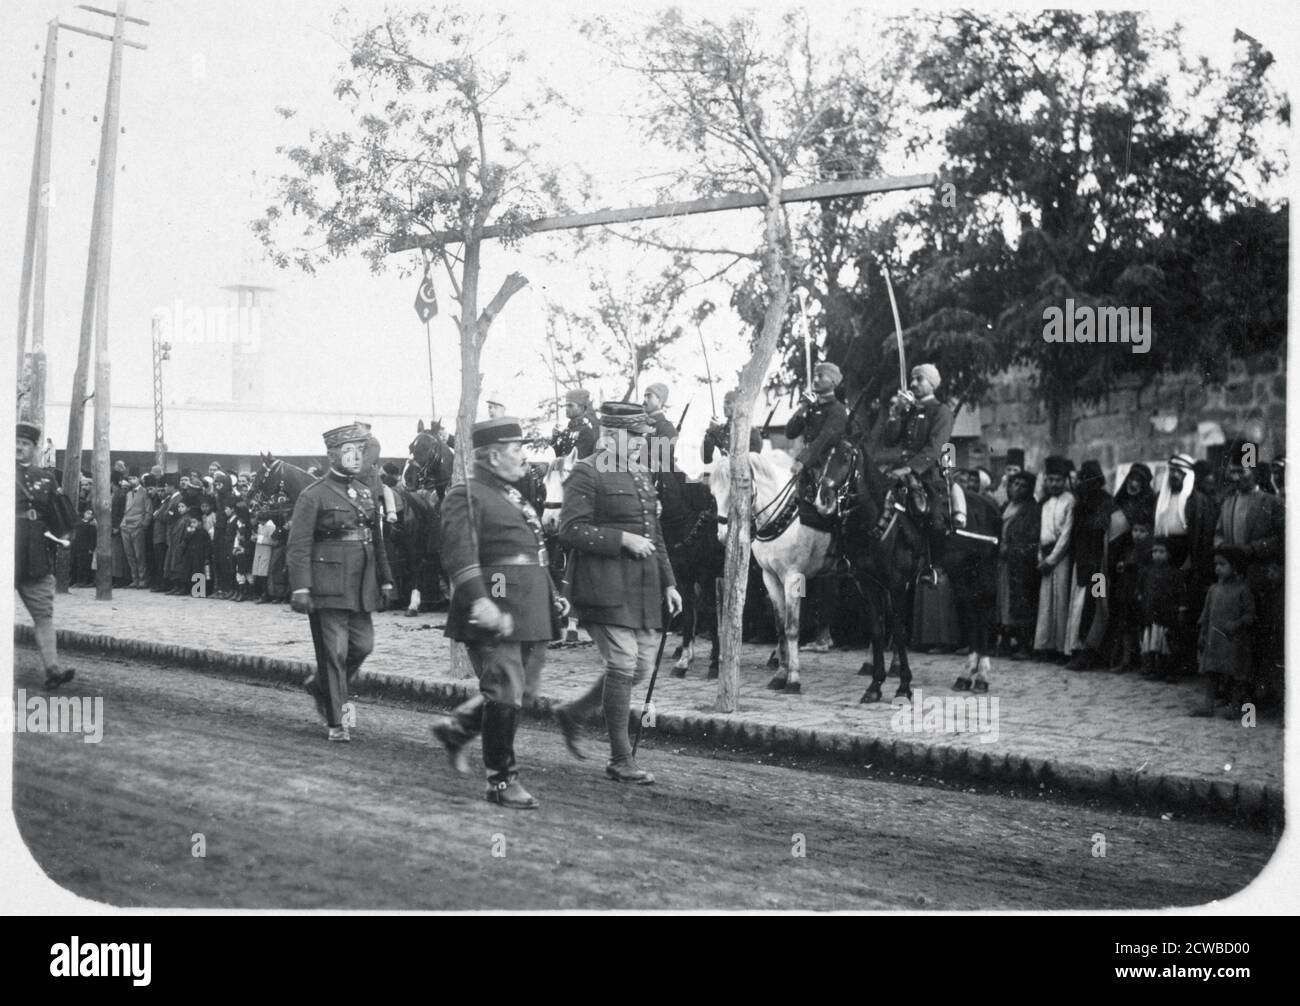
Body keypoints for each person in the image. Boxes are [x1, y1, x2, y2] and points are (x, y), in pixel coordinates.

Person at [431, 417, 570, 809]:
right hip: (494, 607)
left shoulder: (511, 494)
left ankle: (458, 729)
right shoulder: (466, 495)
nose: (524, 458)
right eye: (517, 450)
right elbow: (458, 555)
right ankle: (501, 781)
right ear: (493, 455)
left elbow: (530, 552)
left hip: (528, 607)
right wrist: (480, 601)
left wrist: (552, 594)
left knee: (523, 690)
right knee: (505, 689)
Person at [553, 401, 683, 784]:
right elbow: (570, 529)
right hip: (600, 583)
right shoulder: (586, 471)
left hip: (640, 588)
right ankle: (620, 758)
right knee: (624, 662)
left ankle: (575, 712)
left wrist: (670, 582)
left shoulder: (640, 473)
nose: (643, 444)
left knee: (641, 666)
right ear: (611, 437)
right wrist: (622, 539)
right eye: (636, 438)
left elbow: (654, 534)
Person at [287, 424, 397, 742]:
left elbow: (377, 542)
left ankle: (321, 685)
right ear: (333, 455)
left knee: (363, 646)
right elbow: (299, 545)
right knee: (334, 653)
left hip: (361, 585)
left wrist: (386, 580)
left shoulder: (363, 492)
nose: (355, 457)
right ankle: (338, 722)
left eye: (359, 451)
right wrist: (301, 587)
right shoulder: (313, 495)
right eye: (348, 451)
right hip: (328, 585)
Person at [15, 422, 76, 689]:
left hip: (35, 557)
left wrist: (65, 537)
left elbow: (61, 516)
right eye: (15, 441)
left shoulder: (46, 478)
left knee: (44, 614)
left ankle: (52, 669)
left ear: (35, 448)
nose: (18, 446)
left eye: (25, 443)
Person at [1064, 460, 1130, 670]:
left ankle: (1091, 652)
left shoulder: (1109, 505)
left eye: (1087, 479)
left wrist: (1107, 562)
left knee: (1097, 608)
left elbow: (1118, 534)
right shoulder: (1080, 506)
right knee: (1079, 609)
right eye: (1082, 479)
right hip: (1082, 566)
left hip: (1101, 570)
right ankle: (1078, 649)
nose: (1083, 483)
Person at [1192, 545, 1255, 719]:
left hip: (1234, 640)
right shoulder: (1213, 590)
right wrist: (1203, 634)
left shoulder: (1243, 590)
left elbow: (1250, 615)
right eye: (1216, 564)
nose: (1217, 568)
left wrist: (1237, 623)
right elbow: (1205, 614)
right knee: (1211, 672)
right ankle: (1208, 705)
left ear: (1235, 567)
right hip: (1214, 641)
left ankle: (1235, 706)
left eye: (1222, 564)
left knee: (1236, 674)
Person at [1033, 455, 1076, 661]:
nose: (1054, 484)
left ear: (1065, 481)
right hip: (1045, 555)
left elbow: (1066, 534)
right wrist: (1041, 556)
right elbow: (1041, 532)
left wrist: (1051, 559)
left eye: (1058, 480)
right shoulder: (1045, 502)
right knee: (1046, 603)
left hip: (1061, 558)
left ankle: (1060, 648)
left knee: (1060, 602)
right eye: (1050, 480)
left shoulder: (1070, 501)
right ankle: (1045, 646)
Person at [996, 469, 1040, 660]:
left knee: (1021, 603)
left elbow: (1032, 536)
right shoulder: (1006, 506)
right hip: (1003, 562)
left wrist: (1013, 550)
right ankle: (1004, 641)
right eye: (1015, 484)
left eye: (1023, 486)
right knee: (1002, 601)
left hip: (1020, 563)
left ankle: (1023, 644)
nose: (1018, 489)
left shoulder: (1032, 509)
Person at [1137, 535, 1184, 681]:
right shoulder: (1147, 572)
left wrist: (1181, 609)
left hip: (1167, 614)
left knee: (1167, 644)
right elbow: (1141, 590)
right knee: (1153, 642)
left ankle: (1170, 671)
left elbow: (1180, 593)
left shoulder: (1175, 573)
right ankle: (1155, 669)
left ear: (1168, 554)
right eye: (1155, 551)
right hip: (1151, 613)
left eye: (1161, 551)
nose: (1157, 555)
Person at [701, 389, 763, 464]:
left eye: (728, 403)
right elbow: (706, 459)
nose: (724, 406)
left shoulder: (751, 431)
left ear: (739, 405)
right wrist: (710, 433)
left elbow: (753, 461)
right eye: (724, 403)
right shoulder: (721, 431)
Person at [551, 388, 599, 461]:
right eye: (566, 406)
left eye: (570, 406)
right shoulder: (566, 431)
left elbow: (578, 459)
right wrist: (555, 438)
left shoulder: (586, 431)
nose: (566, 409)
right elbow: (556, 455)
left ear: (583, 408)